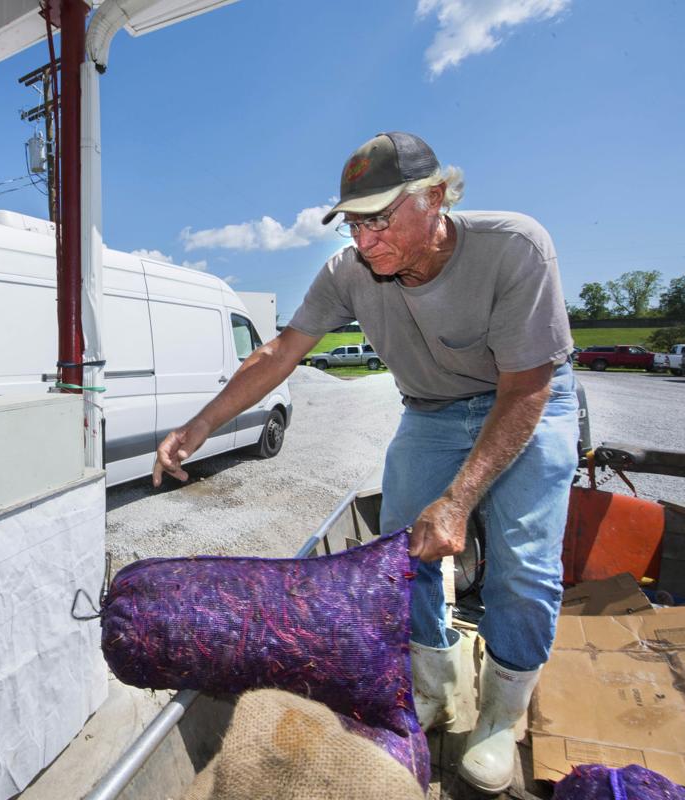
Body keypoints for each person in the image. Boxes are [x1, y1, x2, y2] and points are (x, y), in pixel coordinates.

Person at [153, 132, 578, 794]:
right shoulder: (347, 273)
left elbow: (526, 388)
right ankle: (431, 685)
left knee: (524, 564)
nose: (365, 239)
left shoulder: (514, 247)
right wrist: (200, 424)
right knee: (397, 554)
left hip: (527, 400)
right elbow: (280, 352)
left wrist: (460, 501)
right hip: (433, 411)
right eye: (353, 221)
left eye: (380, 218)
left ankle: (501, 716)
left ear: (435, 197)